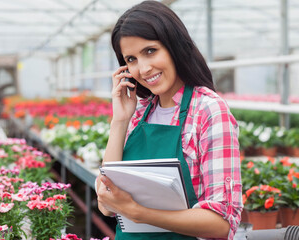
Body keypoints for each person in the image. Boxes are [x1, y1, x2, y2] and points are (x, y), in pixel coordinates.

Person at [96, 1, 243, 239]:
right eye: (131, 59)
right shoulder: (139, 112)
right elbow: (106, 203)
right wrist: (119, 121)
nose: (143, 69)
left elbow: (221, 222)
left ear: (174, 47)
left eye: (150, 51)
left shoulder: (208, 111)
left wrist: (139, 212)